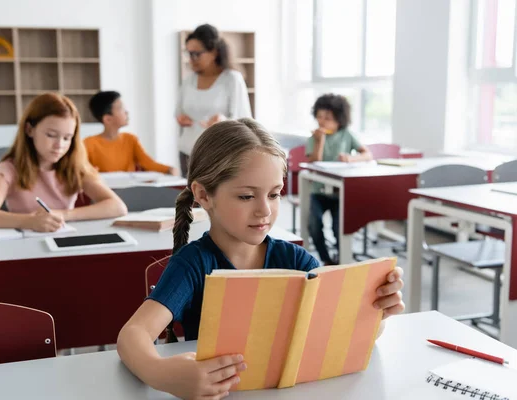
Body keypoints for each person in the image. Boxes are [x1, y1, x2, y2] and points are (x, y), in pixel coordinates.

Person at [117, 118, 403, 400]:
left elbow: (337, 332)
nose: (264, 210)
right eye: (246, 197)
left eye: (275, 194)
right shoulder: (192, 264)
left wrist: (375, 313)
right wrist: (162, 374)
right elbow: (133, 335)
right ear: (204, 195)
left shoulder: (295, 260)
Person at [0, 93, 127, 232]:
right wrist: (29, 221)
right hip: (22, 246)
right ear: (29, 130)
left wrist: (63, 214)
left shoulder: (75, 166)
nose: (59, 145)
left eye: (67, 138)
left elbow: (117, 206)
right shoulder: (9, 169)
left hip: (62, 243)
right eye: (51, 135)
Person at [176, 24, 252, 177]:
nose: (191, 59)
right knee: (191, 198)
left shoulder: (232, 79)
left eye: (197, 54)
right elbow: (179, 111)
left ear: (214, 52)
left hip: (219, 155)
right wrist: (181, 118)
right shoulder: (188, 80)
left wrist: (224, 121)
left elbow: (245, 122)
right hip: (188, 152)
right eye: (188, 53)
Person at [306, 93, 373, 265]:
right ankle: (326, 259)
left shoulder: (347, 135)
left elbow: (367, 154)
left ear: (339, 119)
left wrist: (351, 158)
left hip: (340, 193)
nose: (322, 121)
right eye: (319, 116)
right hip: (318, 192)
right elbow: (314, 161)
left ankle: (341, 259)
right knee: (314, 225)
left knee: (340, 227)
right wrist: (320, 141)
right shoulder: (314, 137)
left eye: (327, 118)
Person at [84, 91, 178, 175]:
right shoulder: (88, 143)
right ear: (107, 119)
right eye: (121, 108)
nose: (126, 112)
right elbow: (83, 170)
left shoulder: (131, 139)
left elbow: (148, 163)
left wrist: (169, 169)